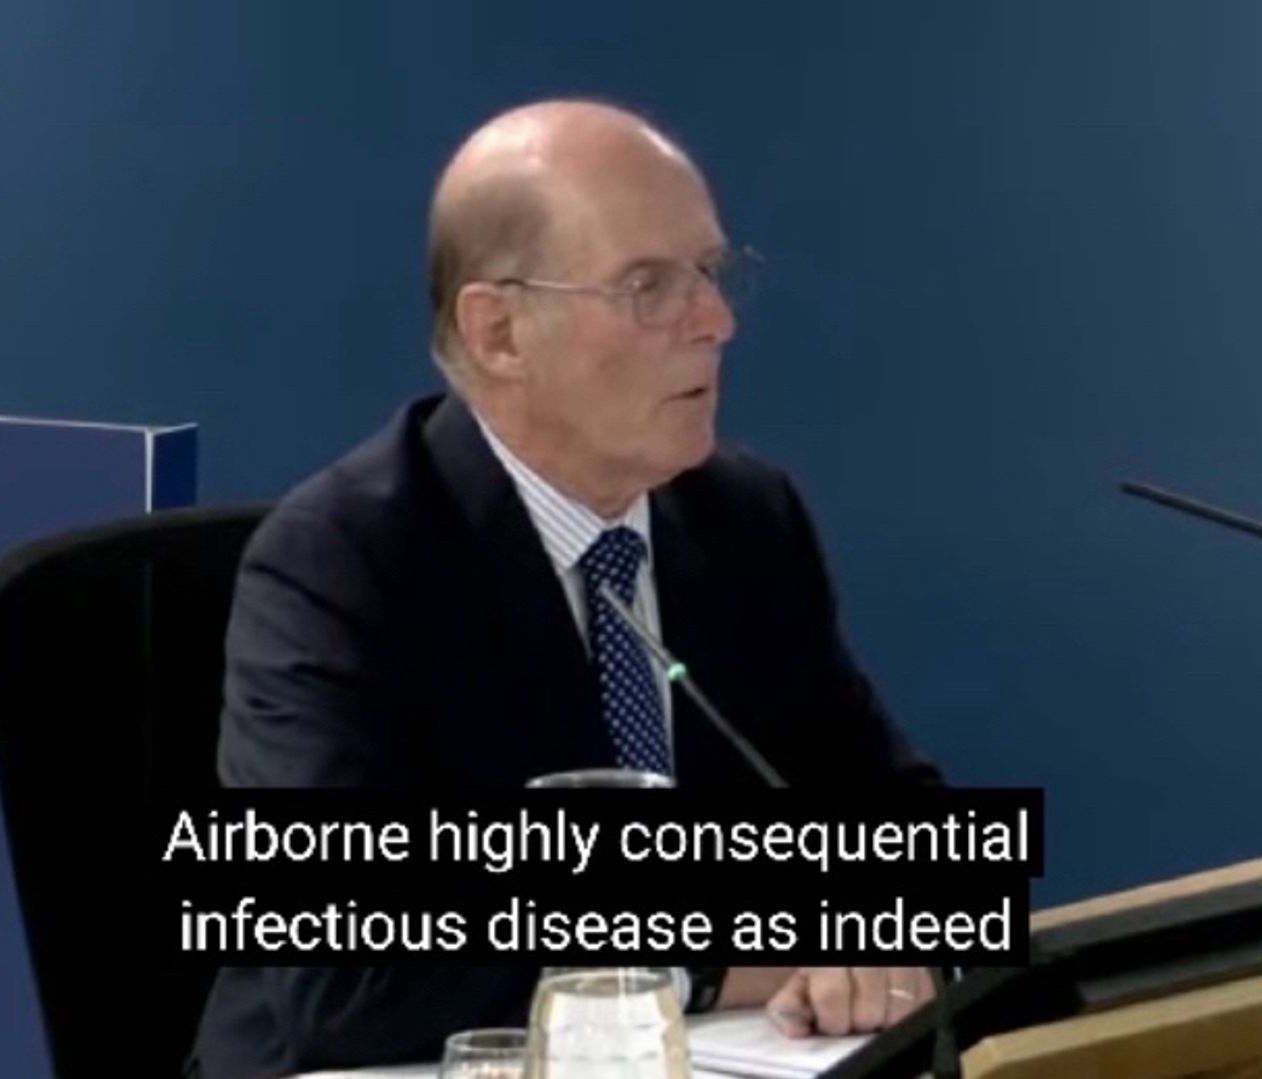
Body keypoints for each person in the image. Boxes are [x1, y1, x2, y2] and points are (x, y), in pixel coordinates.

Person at [190, 99, 944, 1079]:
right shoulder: (342, 560)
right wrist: (718, 955)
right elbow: (345, 968)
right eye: (647, 286)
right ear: (499, 329)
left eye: (711, 274)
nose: (713, 322)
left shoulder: (742, 521)